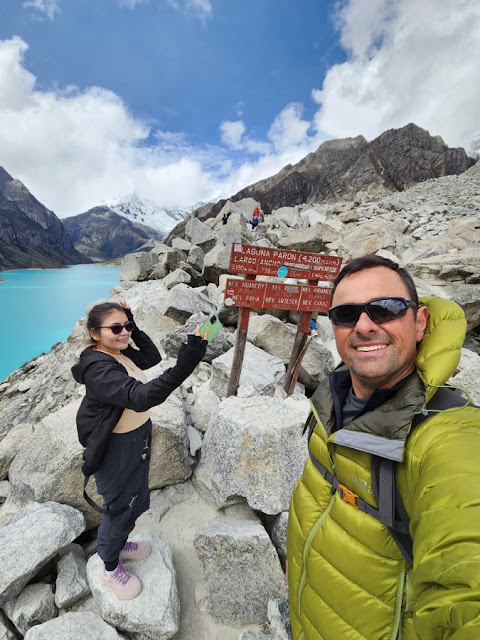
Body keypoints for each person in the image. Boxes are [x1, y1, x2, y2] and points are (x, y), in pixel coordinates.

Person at [287, 254, 480, 639]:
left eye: (385, 309)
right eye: (346, 314)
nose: (363, 325)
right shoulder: (329, 400)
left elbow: (464, 581)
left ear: (420, 321)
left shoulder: (445, 439)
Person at [72, 301, 207, 600]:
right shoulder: (98, 368)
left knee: (135, 498)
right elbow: (140, 396)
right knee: (119, 505)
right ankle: (109, 566)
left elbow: (150, 357)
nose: (124, 333)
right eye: (116, 328)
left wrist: (132, 322)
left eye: (127, 327)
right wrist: (185, 365)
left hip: (137, 437)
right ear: (95, 333)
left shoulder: (118, 352)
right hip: (116, 446)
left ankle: (119, 546)